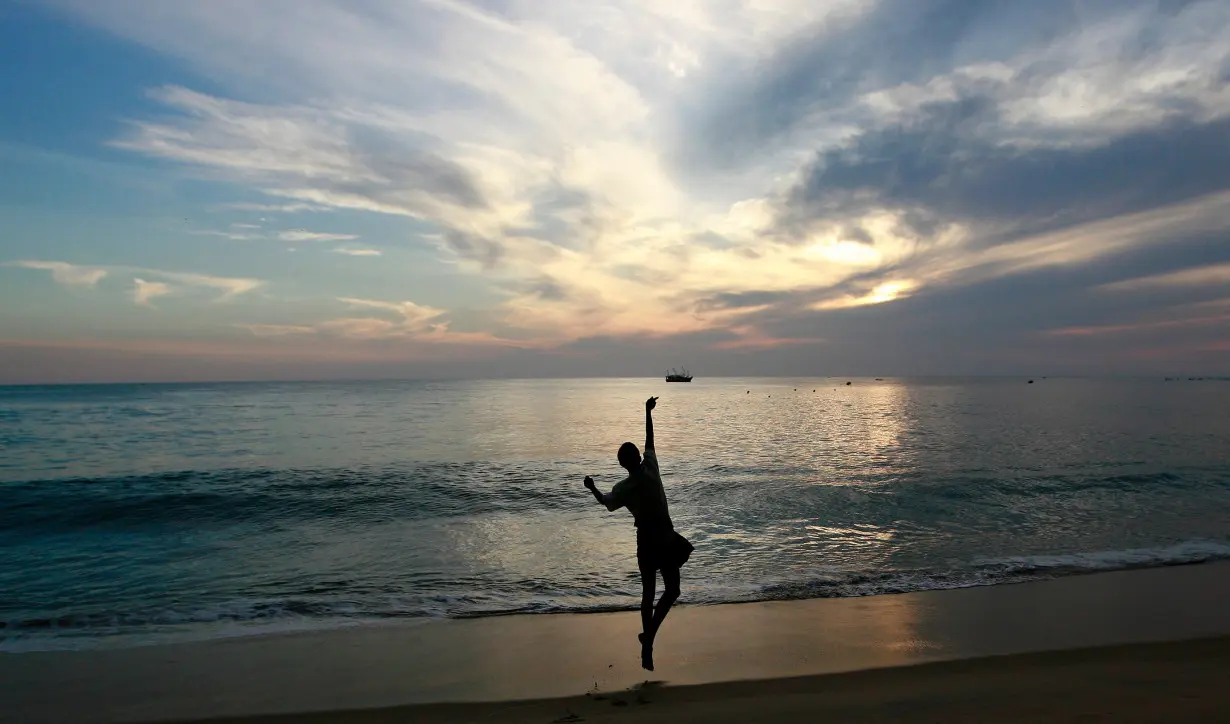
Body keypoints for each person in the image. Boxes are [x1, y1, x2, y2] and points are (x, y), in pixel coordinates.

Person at [584, 396, 691, 671]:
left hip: (647, 541)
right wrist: (647, 411)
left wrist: (592, 488)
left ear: (622, 464)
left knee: (648, 595)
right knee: (672, 590)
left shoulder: (624, 487)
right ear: (637, 457)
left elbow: (606, 503)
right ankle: (649, 638)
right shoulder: (651, 467)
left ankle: (648, 645)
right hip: (665, 537)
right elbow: (650, 439)